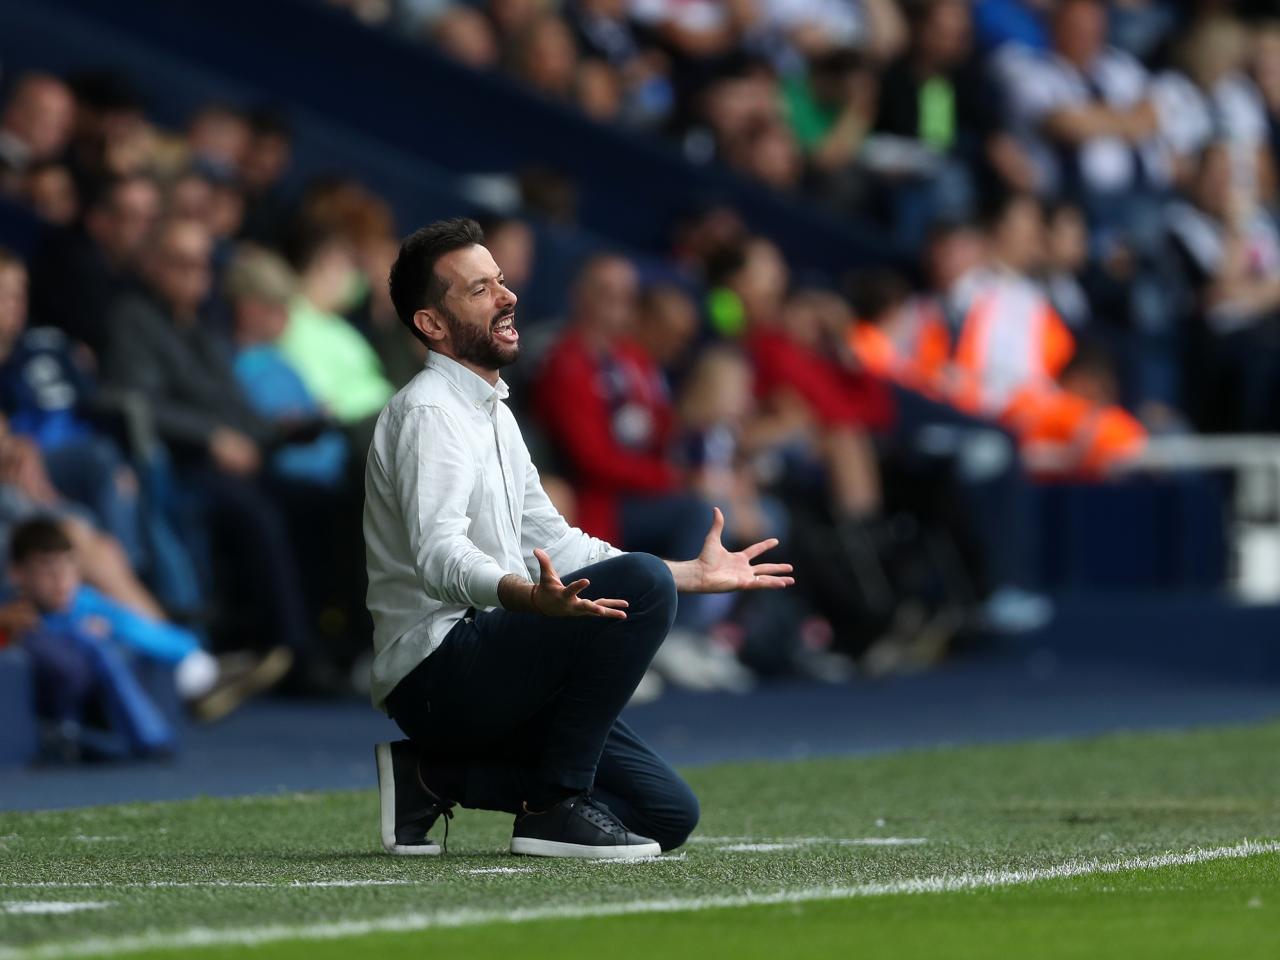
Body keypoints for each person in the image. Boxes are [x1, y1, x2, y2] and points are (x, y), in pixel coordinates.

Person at [367, 218, 793, 858]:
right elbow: (437, 557)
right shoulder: (430, 411)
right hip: (438, 670)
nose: (507, 297)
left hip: (496, 649)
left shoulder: (492, 412)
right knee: (642, 585)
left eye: (501, 281)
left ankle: (430, 776)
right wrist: (526, 597)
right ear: (431, 324)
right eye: (479, 289)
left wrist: (688, 573)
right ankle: (551, 809)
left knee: (665, 813)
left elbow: (556, 541)